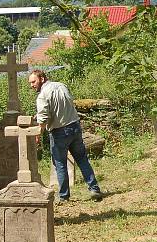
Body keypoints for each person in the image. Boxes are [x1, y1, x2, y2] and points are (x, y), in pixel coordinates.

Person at [29, 69, 103, 203]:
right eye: (31, 83)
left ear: (42, 79)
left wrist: (38, 133)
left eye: (34, 81)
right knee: (82, 159)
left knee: (60, 164)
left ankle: (64, 196)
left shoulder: (42, 95)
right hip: (74, 126)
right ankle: (94, 189)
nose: (32, 85)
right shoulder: (62, 86)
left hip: (59, 132)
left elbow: (44, 116)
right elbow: (64, 106)